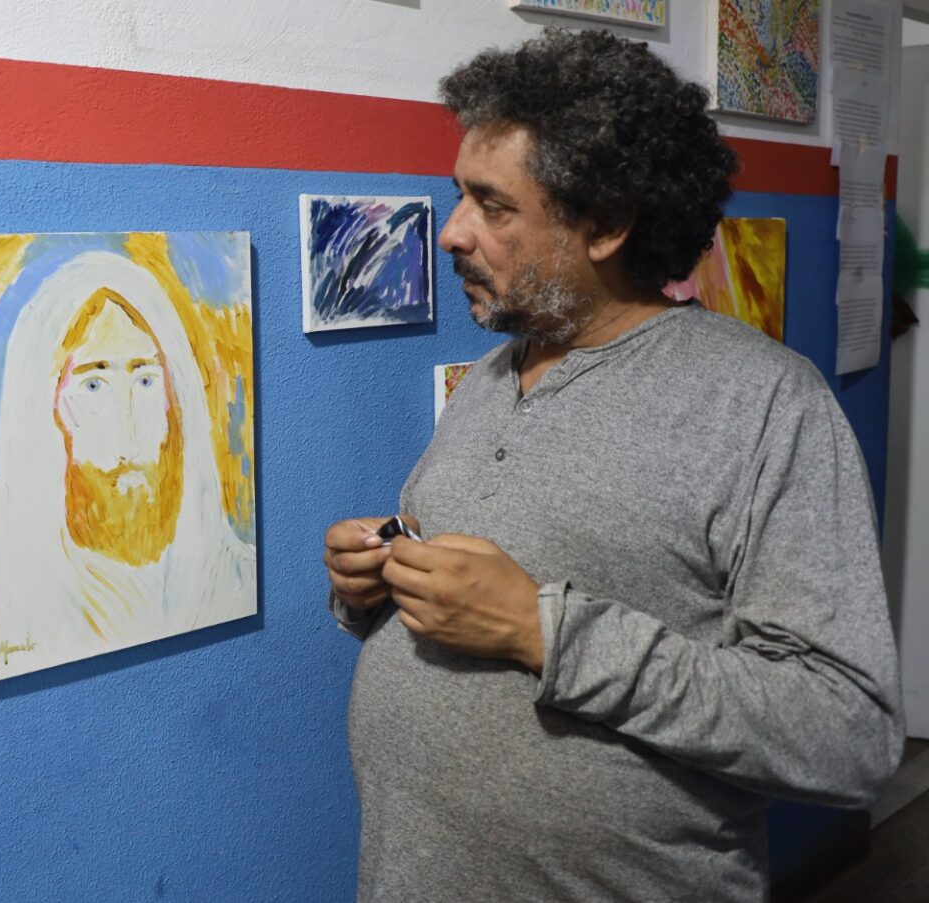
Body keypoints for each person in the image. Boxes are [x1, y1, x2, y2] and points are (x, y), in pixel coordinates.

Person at [322, 28, 903, 901]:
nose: (451, 233)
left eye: (493, 205)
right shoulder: (492, 375)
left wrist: (543, 632)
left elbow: (848, 731)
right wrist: (371, 584)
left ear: (606, 224)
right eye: (458, 195)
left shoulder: (765, 405)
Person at [0, 249, 255, 679]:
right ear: (48, 406)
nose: (129, 439)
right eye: (94, 385)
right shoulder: (16, 613)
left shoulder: (238, 577)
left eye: (145, 380)